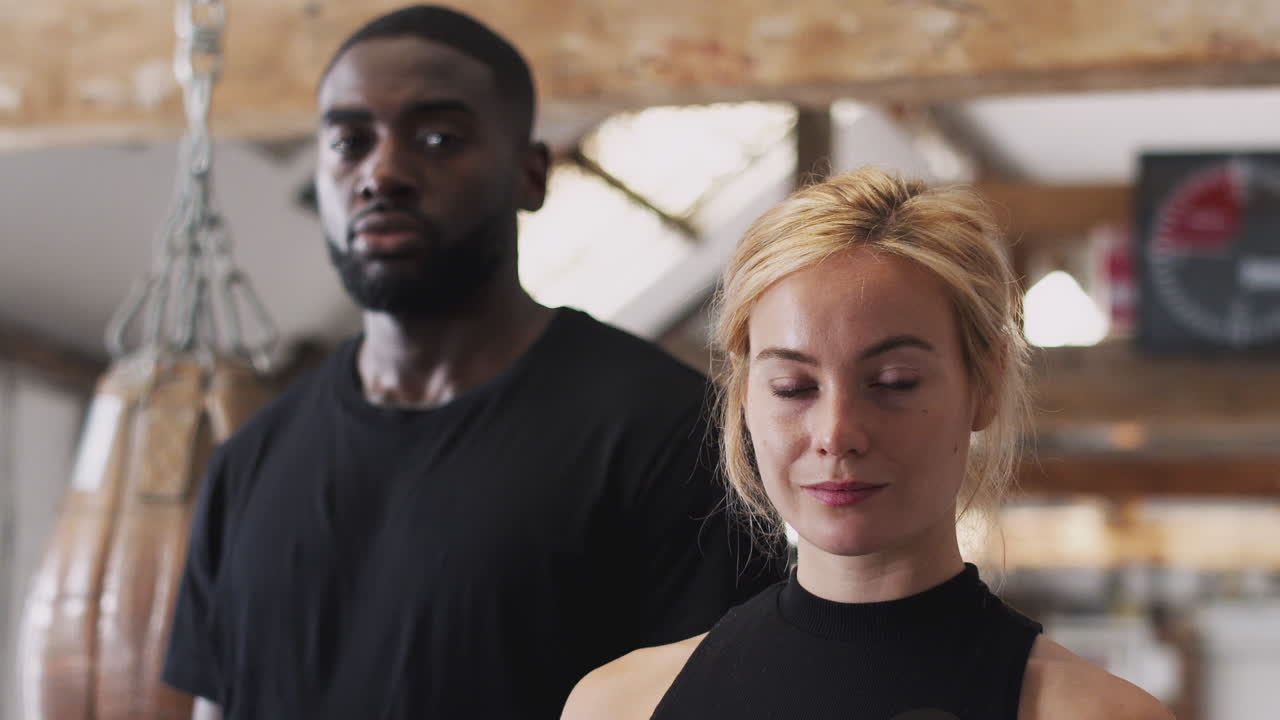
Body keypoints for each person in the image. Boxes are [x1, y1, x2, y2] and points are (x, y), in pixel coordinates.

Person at [161, 6, 780, 719]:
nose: (382, 172)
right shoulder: (248, 464)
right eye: (348, 142)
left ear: (531, 175)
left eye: (437, 137)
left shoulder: (671, 433)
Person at [563, 167, 1174, 720]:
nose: (836, 433)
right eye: (794, 387)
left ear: (983, 384)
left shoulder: (1096, 714)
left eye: (893, 383)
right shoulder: (619, 706)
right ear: (745, 396)